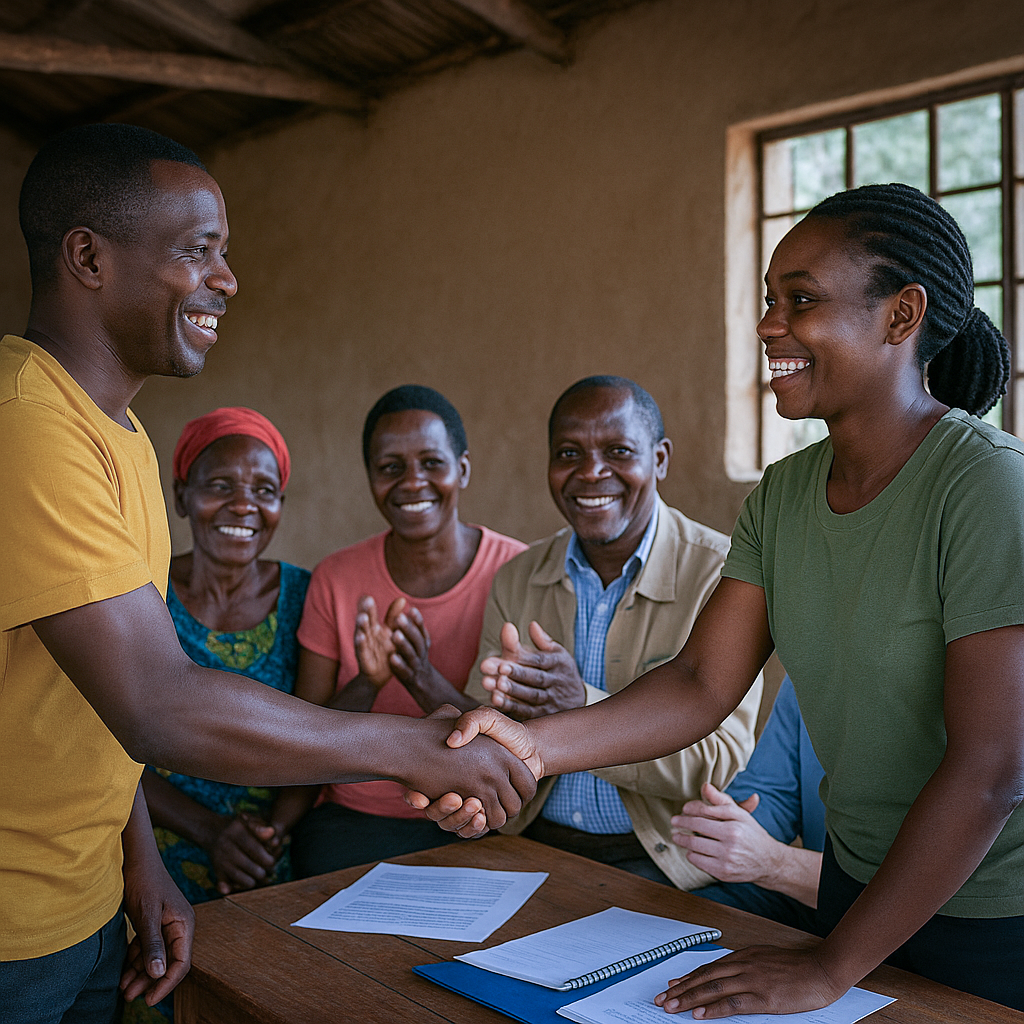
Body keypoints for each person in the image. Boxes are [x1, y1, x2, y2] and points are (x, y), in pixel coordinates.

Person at [419, 184, 1024, 1013]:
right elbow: (701, 680)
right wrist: (530, 746)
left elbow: (992, 767)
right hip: (858, 888)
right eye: (771, 301)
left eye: (801, 301)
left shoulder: (986, 484)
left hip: (990, 912)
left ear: (901, 315)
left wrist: (827, 967)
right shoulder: (783, 495)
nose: (770, 325)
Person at [0, 122, 534, 1024]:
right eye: (199, 251)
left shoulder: (120, 438)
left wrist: (140, 864)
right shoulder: (27, 427)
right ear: (87, 257)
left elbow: (90, 701)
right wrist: (408, 743)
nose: (227, 278)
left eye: (226, 252)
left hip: (84, 902)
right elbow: (154, 702)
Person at [463, 376, 762, 885]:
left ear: (660, 459)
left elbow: (720, 764)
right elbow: (479, 733)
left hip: (664, 865)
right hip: (531, 848)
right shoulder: (519, 577)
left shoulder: (722, 575)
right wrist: (503, 711)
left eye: (618, 450)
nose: (591, 472)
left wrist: (579, 704)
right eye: (568, 453)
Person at [290, 385, 527, 875]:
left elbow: (521, 744)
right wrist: (369, 681)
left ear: (462, 468)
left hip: (480, 817)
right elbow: (306, 735)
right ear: (371, 478)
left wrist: (420, 677)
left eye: (431, 463)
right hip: (354, 819)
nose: (412, 482)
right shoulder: (335, 577)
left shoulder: (518, 571)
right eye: (391, 467)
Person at [126, 407, 311, 1023]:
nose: (243, 506)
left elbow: (316, 733)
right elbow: (110, 741)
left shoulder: (307, 598)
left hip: (266, 858)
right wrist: (210, 833)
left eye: (264, 490)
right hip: (147, 854)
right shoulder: (138, 593)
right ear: (181, 496)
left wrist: (267, 838)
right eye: (219, 486)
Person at [672, 676, 825, 932]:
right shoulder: (812, 669)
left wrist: (775, 862)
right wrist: (731, 821)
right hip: (802, 896)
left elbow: (907, 890)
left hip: (884, 917)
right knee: (670, 922)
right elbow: (772, 793)